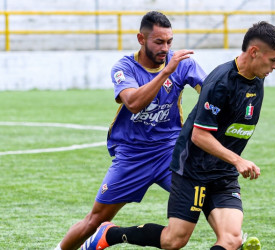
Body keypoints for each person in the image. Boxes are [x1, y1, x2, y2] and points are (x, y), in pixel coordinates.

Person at [81, 21, 275, 250]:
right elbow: (199, 136)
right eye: (274, 60)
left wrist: (231, 162)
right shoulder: (220, 82)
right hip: (192, 169)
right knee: (174, 241)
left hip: (223, 172)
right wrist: (238, 160)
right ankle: (110, 234)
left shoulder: (258, 79)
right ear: (254, 52)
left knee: (232, 240)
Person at [55, 11, 206, 250]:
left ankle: (231, 240)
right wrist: (167, 72)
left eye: (169, 42)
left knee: (207, 196)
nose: (165, 48)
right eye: (158, 42)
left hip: (170, 151)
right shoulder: (124, 67)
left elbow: (209, 92)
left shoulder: (182, 62)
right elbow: (134, 103)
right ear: (141, 39)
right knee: (96, 219)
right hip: (133, 155)